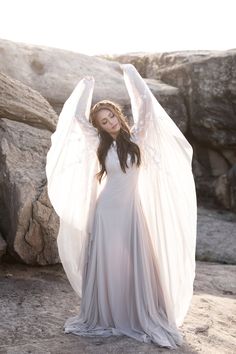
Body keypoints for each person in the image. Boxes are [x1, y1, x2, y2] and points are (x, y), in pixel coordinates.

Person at [46, 64, 197, 349]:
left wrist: (131, 73)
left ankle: (134, 313)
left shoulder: (137, 138)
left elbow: (147, 106)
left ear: (118, 115)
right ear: (101, 126)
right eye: (104, 121)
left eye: (111, 116)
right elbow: (77, 119)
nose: (110, 122)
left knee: (132, 264)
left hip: (131, 213)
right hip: (106, 213)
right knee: (109, 264)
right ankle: (108, 314)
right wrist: (86, 88)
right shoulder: (100, 146)